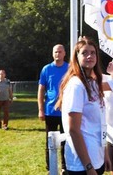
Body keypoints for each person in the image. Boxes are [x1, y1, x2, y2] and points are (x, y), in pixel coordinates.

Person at [55, 37, 105, 175]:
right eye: (84, 53)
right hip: (82, 165)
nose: (90, 56)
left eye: (93, 52)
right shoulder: (76, 85)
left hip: (96, 158)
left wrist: (102, 153)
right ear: (76, 57)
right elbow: (74, 130)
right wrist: (89, 167)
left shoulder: (93, 83)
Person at [37, 44, 69, 172]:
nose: (58, 54)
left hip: (66, 111)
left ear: (64, 53)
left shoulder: (70, 68)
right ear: (52, 54)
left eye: (60, 52)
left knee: (66, 141)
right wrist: (41, 109)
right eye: (55, 52)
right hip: (50, 111)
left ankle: (65, 167)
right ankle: (50, 167)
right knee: (50, 141)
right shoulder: (46, 69)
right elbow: (41, 90)